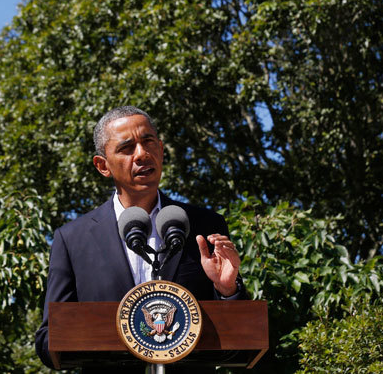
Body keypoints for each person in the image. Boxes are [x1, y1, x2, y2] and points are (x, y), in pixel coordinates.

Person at [35, 106, 246, 370]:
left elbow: (238, 340)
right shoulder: (73, 239)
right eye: (126, 148)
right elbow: (47, 340)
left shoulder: (204, 225)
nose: (142, 154)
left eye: (148, 143)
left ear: (161, 149)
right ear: (103, 166)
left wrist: (227, 290)